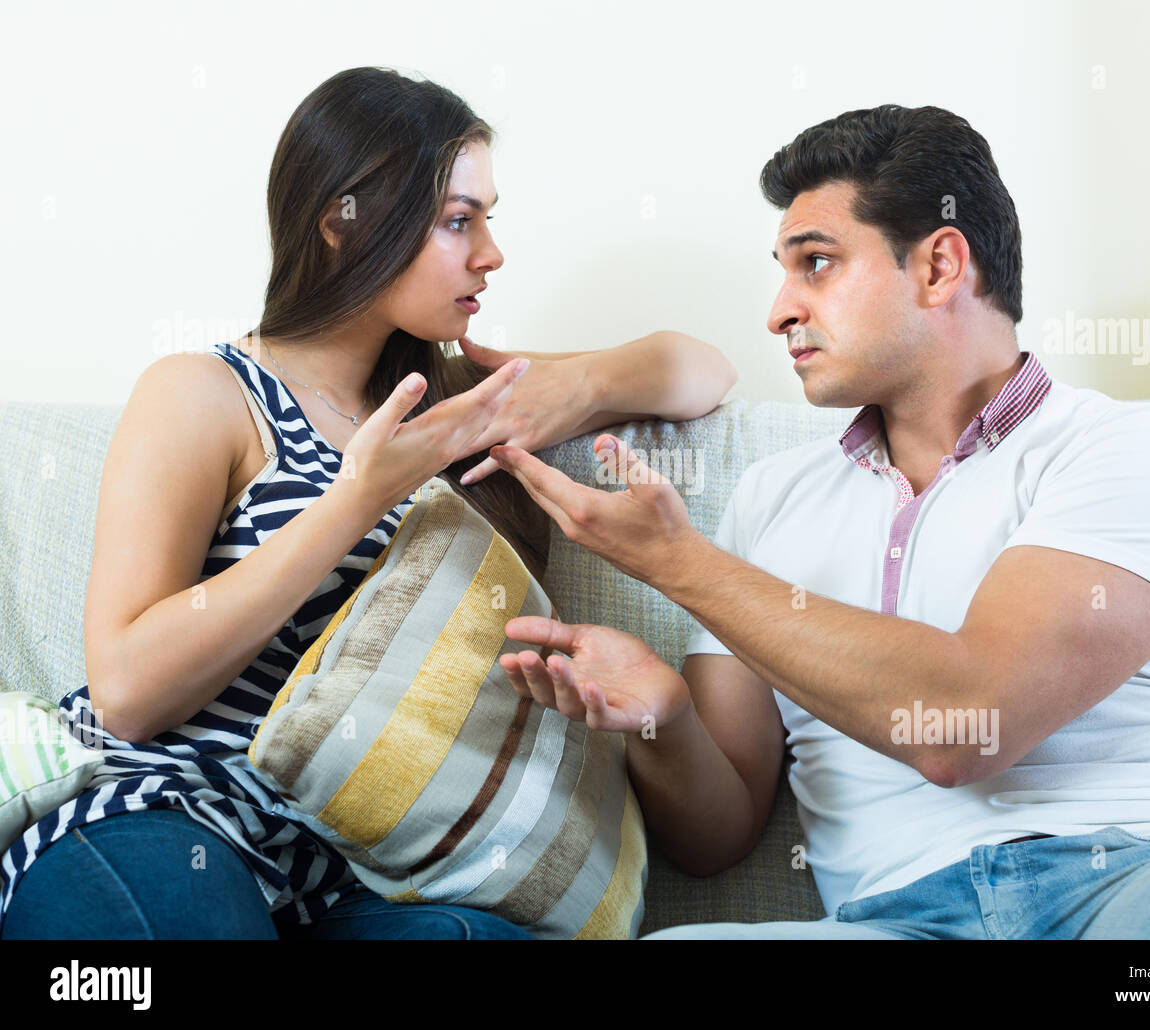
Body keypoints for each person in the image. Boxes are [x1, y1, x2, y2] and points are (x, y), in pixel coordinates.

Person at [486, 104, 1150, 939]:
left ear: (940, 266)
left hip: (1134, 893)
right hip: (893, 924)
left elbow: (965, 727)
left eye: (817, 264)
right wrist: (666, 718)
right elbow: (716, 835)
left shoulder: (1126, 449)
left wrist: (680, 566)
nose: (778, 311)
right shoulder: (771, 498)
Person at [0, 66, 736, 941]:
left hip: (353, 876)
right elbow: (127, 692)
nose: (491, 254)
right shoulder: (208, 394)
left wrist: (566, 390)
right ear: (344, 223)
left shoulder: (455, 408)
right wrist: (357, 497)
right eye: (459, 221)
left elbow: (702, 370)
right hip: (170, 818)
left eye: (488, 219)